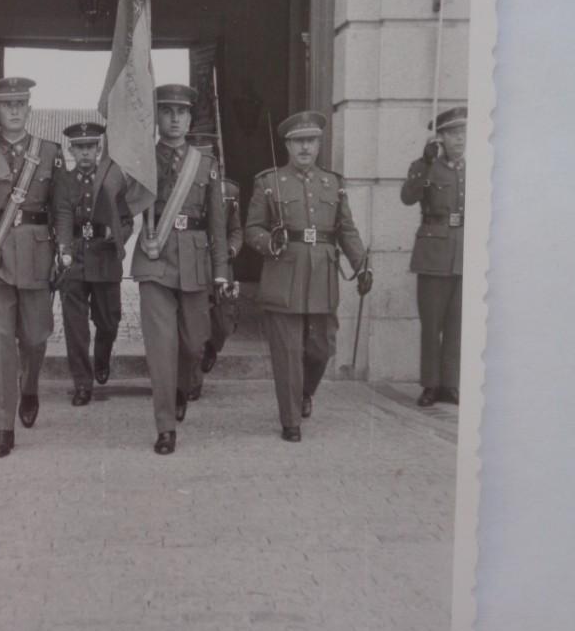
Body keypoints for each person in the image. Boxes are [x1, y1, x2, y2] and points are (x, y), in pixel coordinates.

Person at [245, 111, 372, 441]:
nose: (305, 147)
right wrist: (267, 241)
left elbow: (347, 230)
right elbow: (252, 229)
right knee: (287, 353)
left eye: (311, 141)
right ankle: (290, 421)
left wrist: (362, 266)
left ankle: (304, 393)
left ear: (318, 144)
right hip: (283, 274)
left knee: (321, 349)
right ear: (287, 145)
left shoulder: (333, 183)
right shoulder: (268, 182)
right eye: (298, 141)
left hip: (322, 277)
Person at [132, 85, 229, 455]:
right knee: (161, 347)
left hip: (194, 258)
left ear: (190, 118)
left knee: (193, 342)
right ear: (157, 116)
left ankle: (180, 386)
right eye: (167, 111)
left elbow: (218, 223)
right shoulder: (141, 159)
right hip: (154, 259)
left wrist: (221, 271)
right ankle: (165, 427)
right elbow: (123, 204)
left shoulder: (205, 164)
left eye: (181, 112)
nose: (174, 118)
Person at [0, 77, 62, 459]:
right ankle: (3, 426)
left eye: (20, 104)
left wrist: (63, 251)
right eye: (6, 105)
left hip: (36, 255)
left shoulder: (49, 151)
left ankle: (31, 386)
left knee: (36, 337)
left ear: (28, 109)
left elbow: (62, 209)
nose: (13, 111)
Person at [52, 123, 133, 406]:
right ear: (71, 149)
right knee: (75, 327)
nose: (85, 152)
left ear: (98, 149)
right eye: (79, 147)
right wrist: (63, 250)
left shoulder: (112, 179)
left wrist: (117, 234)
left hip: (105, 255)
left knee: (109, 320)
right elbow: (61, 216)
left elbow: (126, 219)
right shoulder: (64, 180)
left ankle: (102, 354)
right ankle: (82, 384)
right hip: (75, 257)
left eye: (90, 147)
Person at [400, 105, 467, 407]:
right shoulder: (426, 166)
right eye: (453, 133)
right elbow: (408, 197)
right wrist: (426, 163)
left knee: (457, 324)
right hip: (433, 253)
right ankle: (430, 384)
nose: (460, 139)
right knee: (432, 324)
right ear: (440, 137)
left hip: (464, 253)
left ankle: (451, 385)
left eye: (464, 132)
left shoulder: (474, 169)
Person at [185, 132, 243, 401]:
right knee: (194, 325)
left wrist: (231, 249)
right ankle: (193, 381)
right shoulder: (183, 188)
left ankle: (212, 348)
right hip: (195, 264)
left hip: (221, 265)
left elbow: (236, 230)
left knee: (222, 324)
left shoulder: (229, 191)